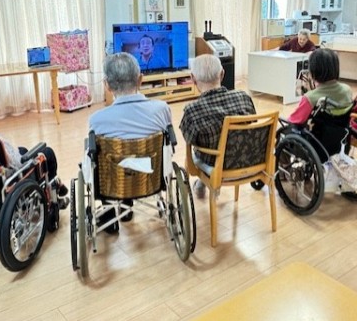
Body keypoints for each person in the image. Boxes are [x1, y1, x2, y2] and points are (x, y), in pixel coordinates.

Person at [89, 52, 172, 231]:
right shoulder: (161, 109)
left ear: (107, 85)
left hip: (113, 182)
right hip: (151, 177)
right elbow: (170, 147)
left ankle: (111, 212)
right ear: (140, 79)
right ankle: (127, 204)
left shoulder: (97, 120)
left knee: (97, 161)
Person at [180, 54, 256, 198]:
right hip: (247, 158)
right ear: (222, 74)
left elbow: (190, 140)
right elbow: (251, 124)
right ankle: (203, 182)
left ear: (193, 79)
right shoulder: (244, 98)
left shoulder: (192, 110)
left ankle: (203, 182)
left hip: (214, 164)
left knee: (198, 149)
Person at [288, 48, 353, 125]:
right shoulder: (347, 90)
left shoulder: (310, 98)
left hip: (317, 132)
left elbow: (293, 121)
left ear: (313, 70)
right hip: (342, 131)